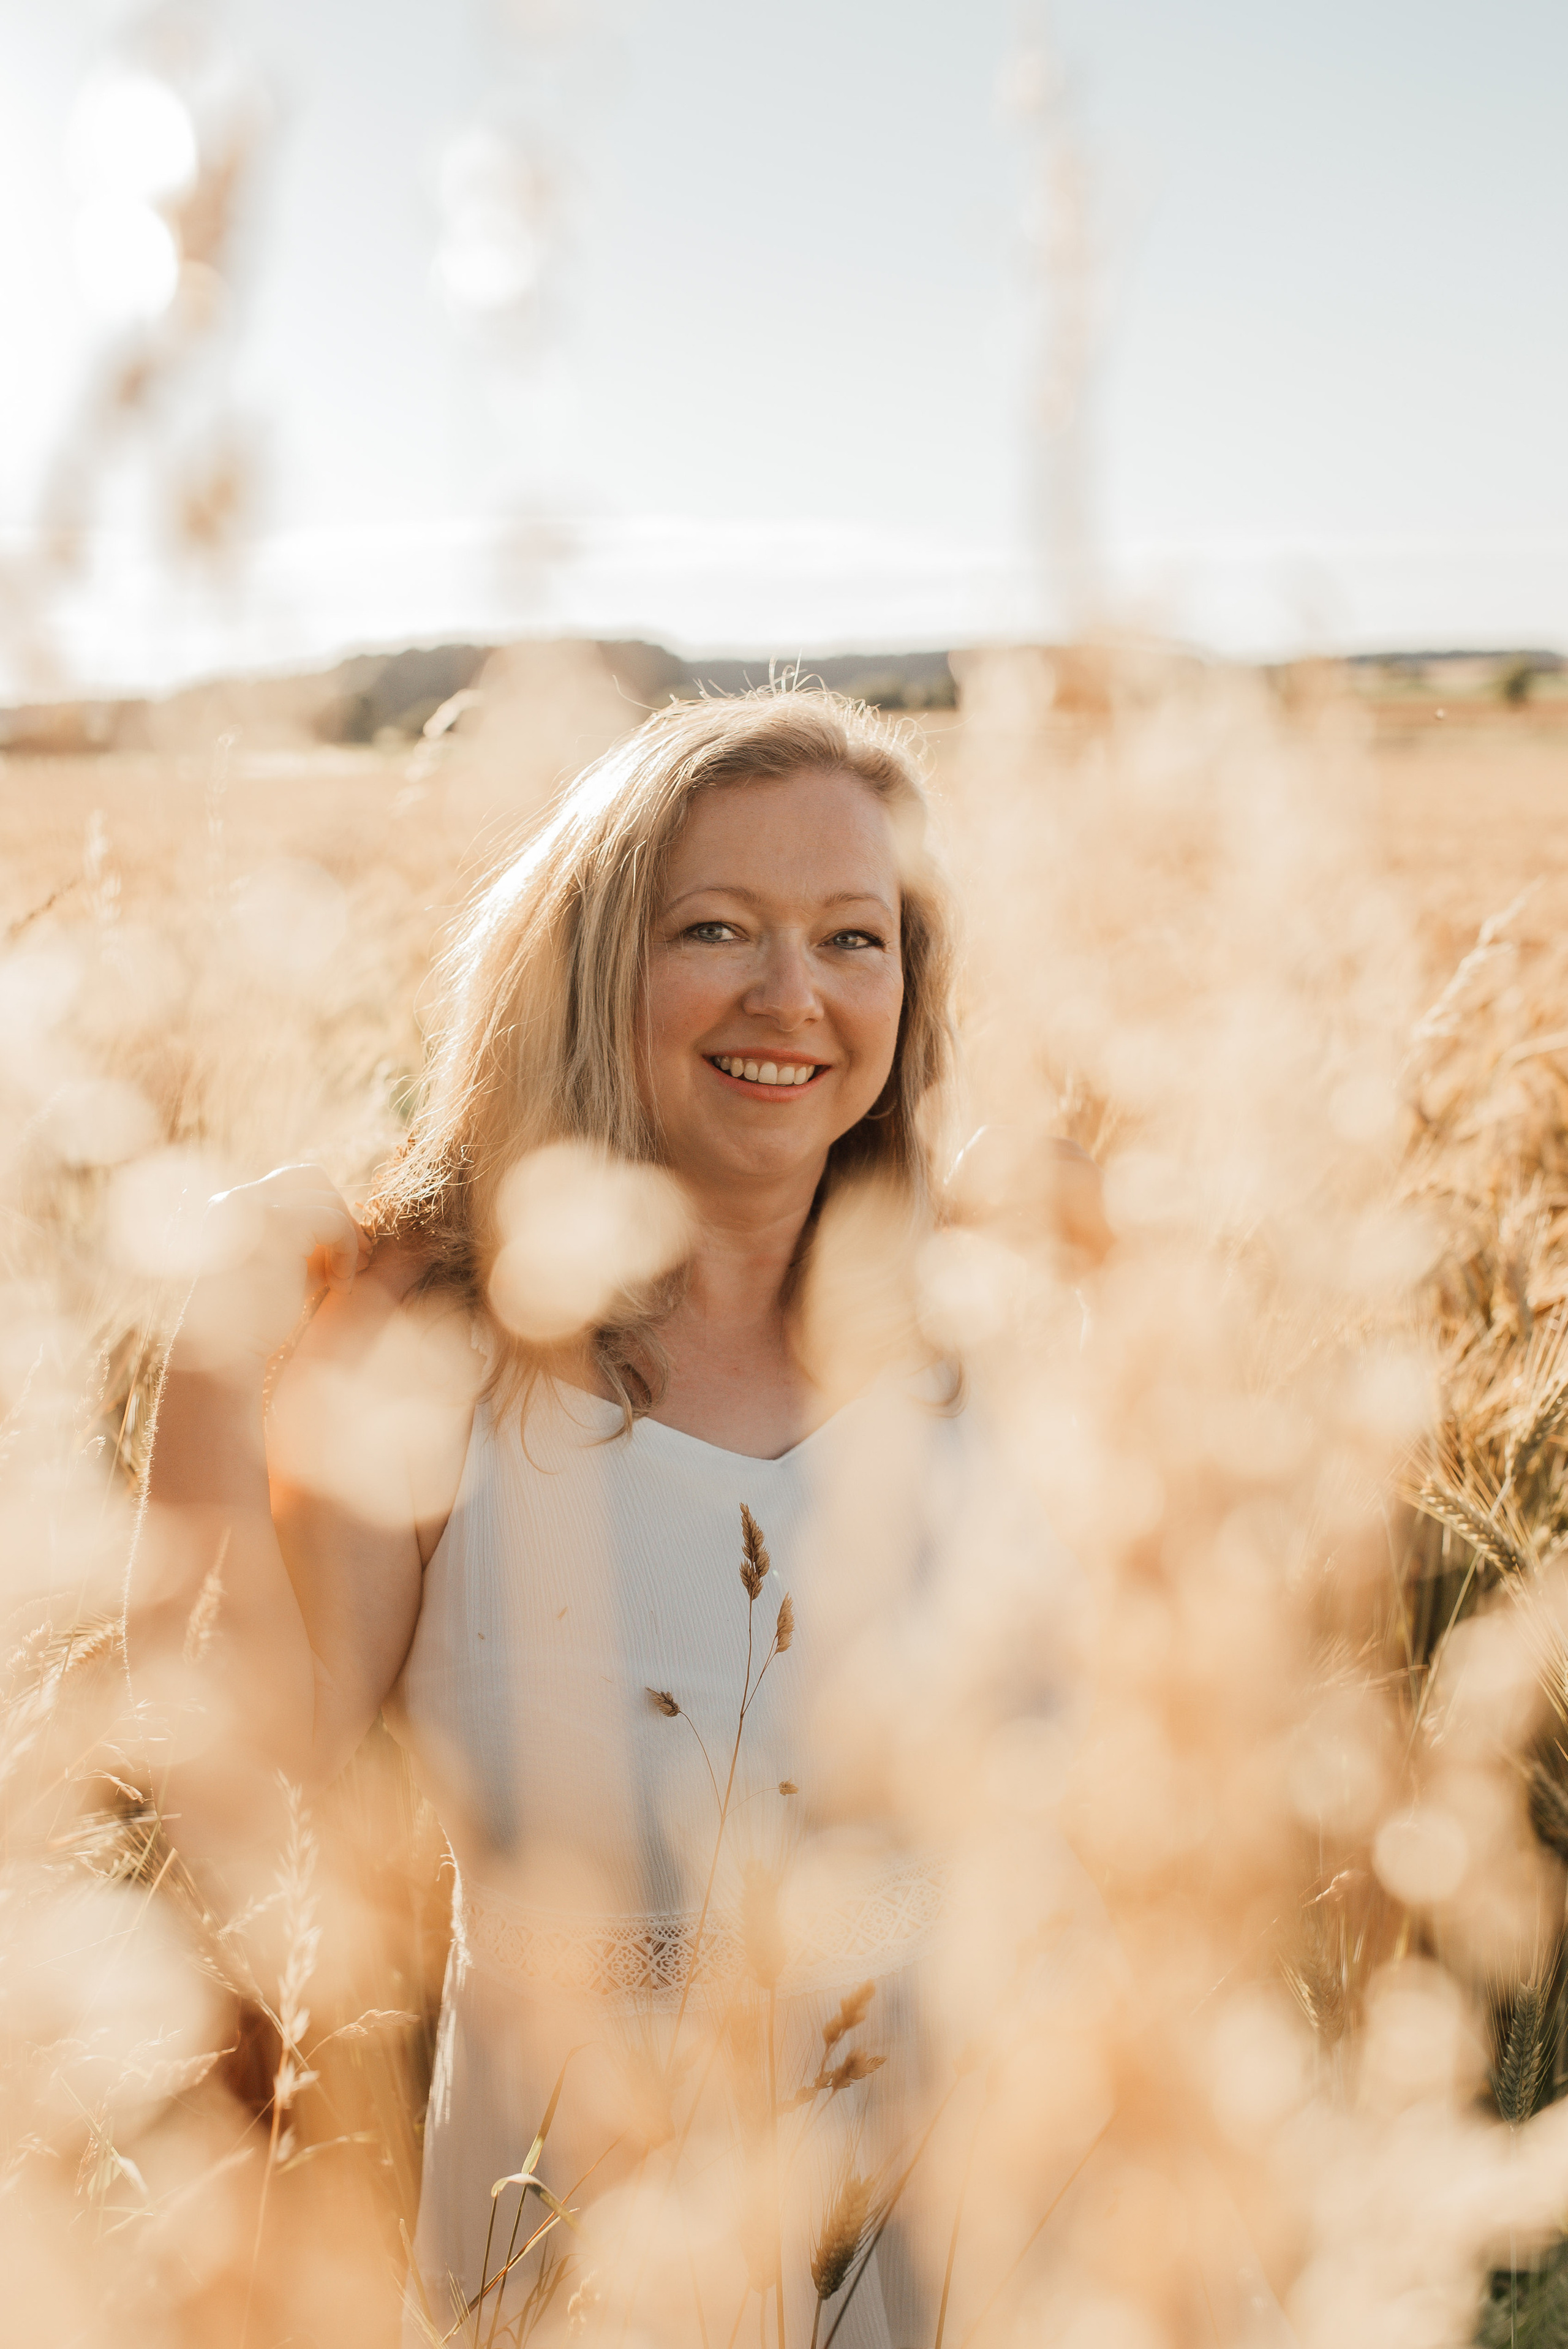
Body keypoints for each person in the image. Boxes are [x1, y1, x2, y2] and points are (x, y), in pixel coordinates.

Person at [131, 688, 1039, 2345]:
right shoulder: (441, 1360)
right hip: (575, 2235)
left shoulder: (989, 1352)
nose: (795, 996)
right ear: (594, 960)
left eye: (857, 936)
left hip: (982, 2212)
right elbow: (259, 1791)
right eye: (718, 928)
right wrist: (216, 1342)